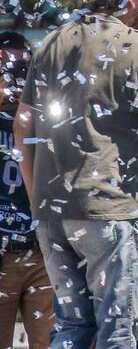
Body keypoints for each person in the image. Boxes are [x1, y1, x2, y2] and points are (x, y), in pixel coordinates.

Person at [13, 0, 138, 348]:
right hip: (109, 211)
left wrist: (36, 197)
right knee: (117, 330)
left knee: (71, 326)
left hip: (53, 212)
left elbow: (23, 124)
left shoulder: (52, 41)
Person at [0, 32, 53, 349]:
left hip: (39, 252)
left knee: (52, 341)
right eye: (7, 72)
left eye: (23, 73)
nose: (14, 84)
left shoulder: (41, 121)